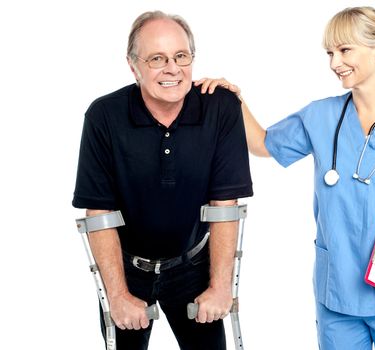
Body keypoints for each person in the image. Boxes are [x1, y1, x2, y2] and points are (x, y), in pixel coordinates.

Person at [197, 6, 375, 350]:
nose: (334, 63)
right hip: (338, 297)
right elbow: (264, 144)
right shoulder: (321, 116)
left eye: (344, 50)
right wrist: (234, 99)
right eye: (330, 52)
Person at [72, 10, 253, 350]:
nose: (172, 68)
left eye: (181, 56)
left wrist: (220, 286)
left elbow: (225, 205)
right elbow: (99, 212)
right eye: (157, 58)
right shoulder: (104, 116)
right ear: (133, 65)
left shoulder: (221, 107)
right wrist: (118, 294)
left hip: (195, 262)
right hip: (126, 266)